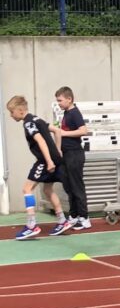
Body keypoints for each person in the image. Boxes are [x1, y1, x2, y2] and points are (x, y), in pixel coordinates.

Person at [6, 95, 71, 238]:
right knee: (48, 189)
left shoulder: (28, 123)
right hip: (55, 159)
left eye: (12, 112)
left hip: (44, 160)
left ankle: (31, 225)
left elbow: (40, 141)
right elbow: (57, 131)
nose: (11, 115)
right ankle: (62, 220)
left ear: (21, 110)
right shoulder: (37, 119)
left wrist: (49, 161)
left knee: (27, 189)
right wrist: (58, 150)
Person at [49, 86, 91, 231]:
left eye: (60, 100)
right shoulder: (66, 113)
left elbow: (83, 130)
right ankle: (74, 215)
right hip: (66, 155)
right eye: (57, 101)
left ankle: (84, 218)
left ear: (69, 99)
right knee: (68, 186)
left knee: (76, 186)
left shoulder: (74, 113)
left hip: (75, 154)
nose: (58, 103)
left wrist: (63, 134)